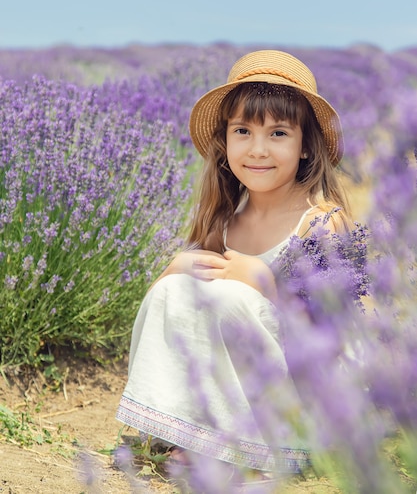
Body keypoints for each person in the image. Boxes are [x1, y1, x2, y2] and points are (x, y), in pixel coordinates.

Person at [116, 50, 351, 484]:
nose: (258, 149)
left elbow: (335, 340)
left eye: (278, 133)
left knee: (233, 297)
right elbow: (186, 319)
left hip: (301, 408)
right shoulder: (225, 220)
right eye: (242, 131)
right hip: (230, 403)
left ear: (305, 147)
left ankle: (254, 450)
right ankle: (190, 433)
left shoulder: (320, 223)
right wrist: (174, 270)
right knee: (172, 290)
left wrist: (268, 285)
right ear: (225, 144)